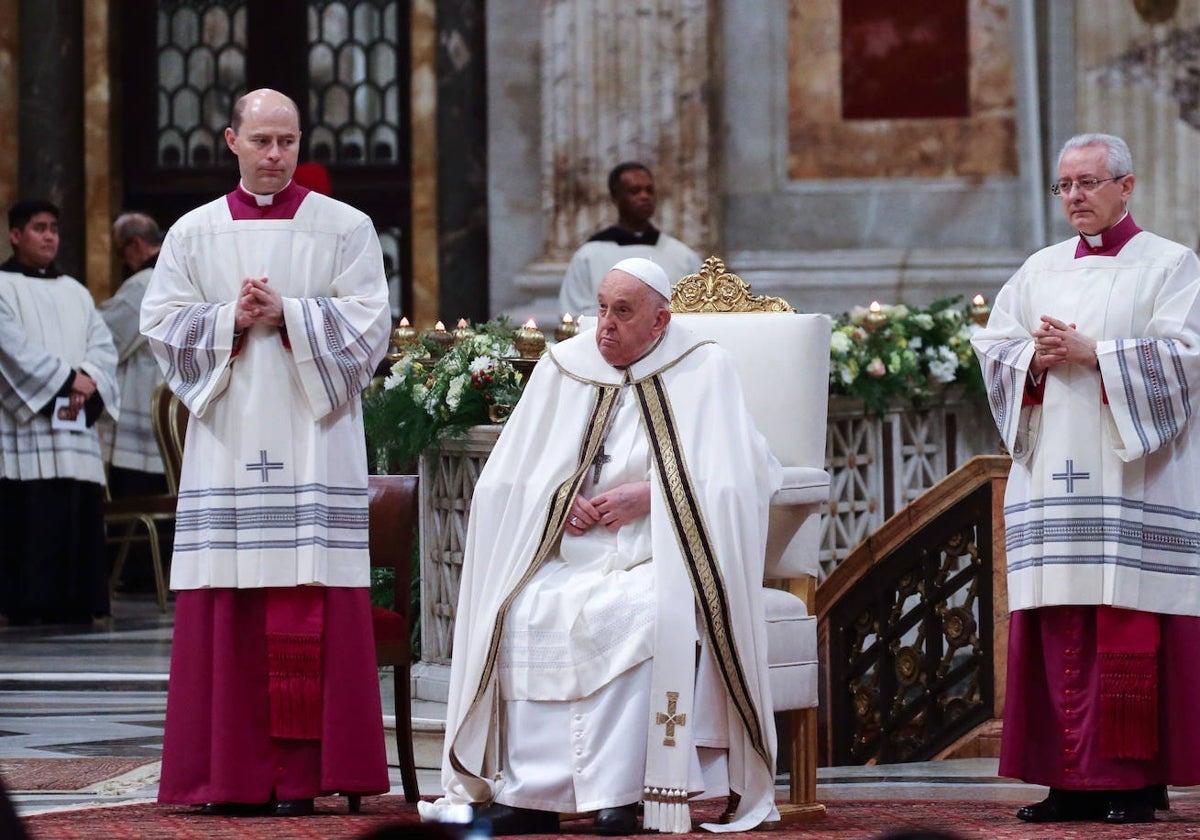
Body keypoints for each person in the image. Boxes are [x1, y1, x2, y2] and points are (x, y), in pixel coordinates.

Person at [422, 257, 782, 835]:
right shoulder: (566, 366)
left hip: (661, 556)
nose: (604, 327)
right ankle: (530, 796)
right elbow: (509, 478)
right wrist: (559, 499)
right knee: (522, 608)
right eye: (601, 308)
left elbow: (747, 475)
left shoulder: (705, 367)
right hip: (575, 554)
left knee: (640, 615)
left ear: (660, 321)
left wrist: (654, 495)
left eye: (623, 312)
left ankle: (621, 794)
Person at [142, 88, 392, 817]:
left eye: (287, 141)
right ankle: (231, 776)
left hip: (316, 439)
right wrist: (229, 318)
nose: (276, 155)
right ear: (232, 141)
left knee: (310, 590)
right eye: (262, 141)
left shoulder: (345, 227)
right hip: (229, 436)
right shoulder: (193, 233)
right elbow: (162, 327)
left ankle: (310, 775)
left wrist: (291, 315)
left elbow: (370, 327)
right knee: (231, 601)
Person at [972, 133, 1200, 825]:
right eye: (1065, 185)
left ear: (1126, 187)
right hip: (1053, 478)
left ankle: (1135, 782)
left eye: (1089, 182)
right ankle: (1064, 778)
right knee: (1056, 623)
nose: (1075, 196)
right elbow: (993, 344)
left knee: (1124, 622)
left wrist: (1093, 352)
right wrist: (1030, 361)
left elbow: (1186, 356)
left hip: (1135, 479)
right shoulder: (1039, 267)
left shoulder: (1170, 264)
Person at [0, 199, 119, 626]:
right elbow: (11, 350)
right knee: (33, 514)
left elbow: (103, 346)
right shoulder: (2, 287)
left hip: (74, 422)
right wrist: (68, 381)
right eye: (38, 228)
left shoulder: (77, 291)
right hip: (27, 426)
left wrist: (89, 379)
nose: (50, 236)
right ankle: (31, 604)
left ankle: (80, 601)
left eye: (54, 228)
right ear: (15, 236)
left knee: (77, 509)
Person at [100, 212, 170, 591]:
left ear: (136, 246)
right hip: (177, 415)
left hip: (143, 411)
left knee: (138, 494)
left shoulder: (144, 284)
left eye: (120, 254)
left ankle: (140, 575)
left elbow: (102, 338)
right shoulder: (182, 279)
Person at [557, 162, 701, 317]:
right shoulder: (589, 256)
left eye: (649, 190)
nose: (644, 196)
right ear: (615, 197)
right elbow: (574, 314)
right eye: (635, 191)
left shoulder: (682, 256)